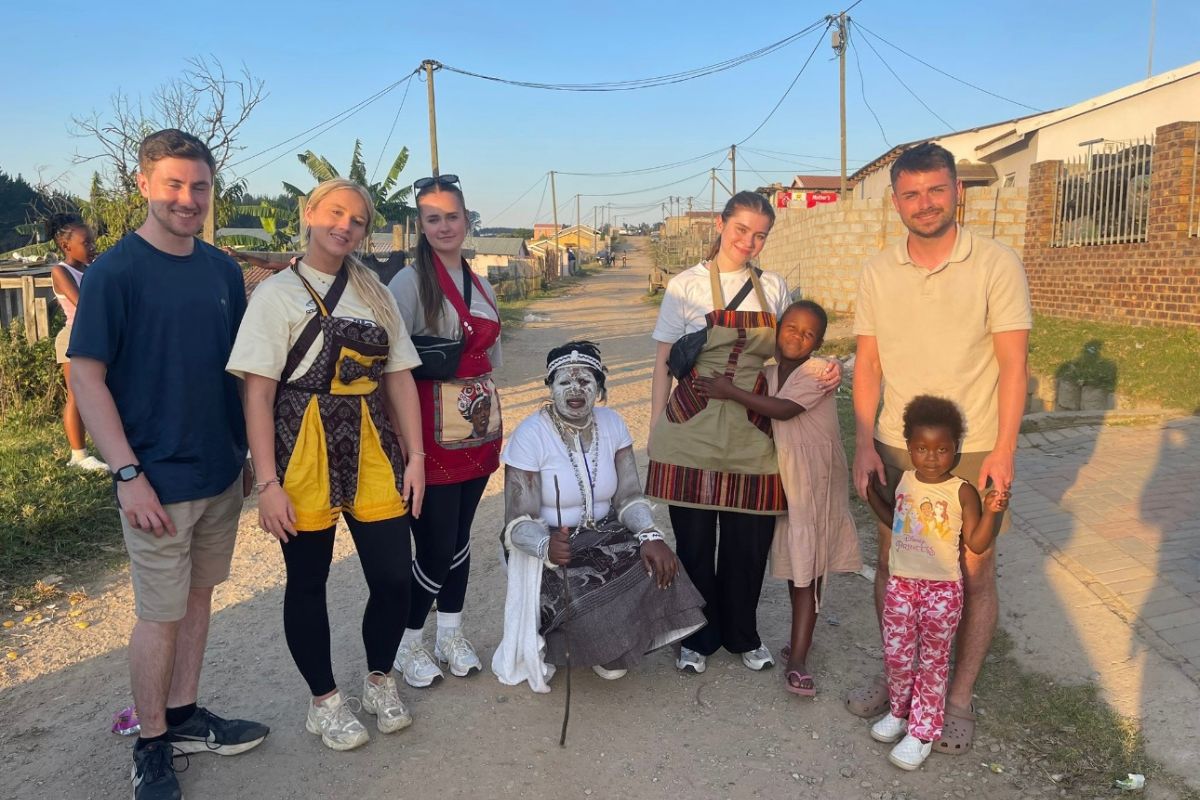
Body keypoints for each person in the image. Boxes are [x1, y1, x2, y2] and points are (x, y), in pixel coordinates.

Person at [68, 129, 268, 800]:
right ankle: (151, 743)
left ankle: (182, 715)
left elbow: (240, 372)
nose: (188, 199)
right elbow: (87, 378)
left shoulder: (217, 270)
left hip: (217, 472)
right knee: (158, 615)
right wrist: (127, 473)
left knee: (201, 597)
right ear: (144, 184)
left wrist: (247, 452)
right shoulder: (113, 273)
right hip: (155, 479)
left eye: (200, 187)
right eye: (174, 185)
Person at [227, 178, 424, 751]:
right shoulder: (276, 294)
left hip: (371, 445)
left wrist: (414, 458)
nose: (345, 226)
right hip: (302, 447)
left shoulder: (378, 293)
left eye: (357, 220)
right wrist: (267, 482)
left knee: (393, 578)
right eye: (335, 213)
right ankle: (324, 702)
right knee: (307, 581)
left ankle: (379, 680)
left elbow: (399, 380)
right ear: (309, 214)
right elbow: (257, 395)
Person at [848, 142, 1031, 755]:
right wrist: (863, 443)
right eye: (910, 194)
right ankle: (900, 683)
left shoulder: (997, 264)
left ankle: (957, 697)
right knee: (897, 564)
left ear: (956, 191)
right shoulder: (877, 271)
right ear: (894, 201)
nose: (923, 204)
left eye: (935, 190)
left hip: (975, 445)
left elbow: (1013, 364)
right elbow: (868, 363)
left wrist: (1003, 449)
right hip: (898, 450)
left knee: (974, 567)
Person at [646, 191, 840, 675]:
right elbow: (662, 364)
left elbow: (791, 352)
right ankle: (697, 637)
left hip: (753, 430)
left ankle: (742, 633)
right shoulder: (684, 286)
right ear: (721, 224)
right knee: (693, 545)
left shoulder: (774, 288)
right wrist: (655, 430)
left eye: (760, 234)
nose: (749, 241)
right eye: (741, 230)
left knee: (748, 543)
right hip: (690, 426)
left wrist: (826, 369)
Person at [493, 341, 705, 690]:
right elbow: (517, 525)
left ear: (600, 388)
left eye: (586, 382)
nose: (575, 391)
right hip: (549, 542)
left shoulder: (612, 424)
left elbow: (628, 497)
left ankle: (620, 644)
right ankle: (597, 647)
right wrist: (546, 546)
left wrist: (650, 534)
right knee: (579, 588)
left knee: (657, 564)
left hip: (607, 532)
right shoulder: (531, 435)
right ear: (550, 387)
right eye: (565, 382)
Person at [695, 300, 861, 697]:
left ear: (819, 342)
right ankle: (798, 643)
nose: (797, 338)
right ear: (778, 328)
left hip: (814, 483)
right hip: (784, 480)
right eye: (791, 328)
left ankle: (800, 658)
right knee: (796, 566)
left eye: (808, 334)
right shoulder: (767, 373)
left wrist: (728, 391)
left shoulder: (818, 372)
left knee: (808, 572)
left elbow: (783, 411)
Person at [387, 175, 501, 687]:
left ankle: (449, 632)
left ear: (467, 219)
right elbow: (390, 365)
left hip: (476, 430)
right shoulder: (409, 284)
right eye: (432, 218)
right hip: (428, 433)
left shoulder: (482, 283)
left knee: (459, 538)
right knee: (433, 544)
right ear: (421, 226)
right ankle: (405, 641)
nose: (444, 226)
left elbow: (492, 359)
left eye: (452, 216)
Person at [863, 396, 1009, 770]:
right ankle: (899, 711)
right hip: (901, 585)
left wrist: (993, 511)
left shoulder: (960, 491)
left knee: (932, 661)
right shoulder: (906, 481)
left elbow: (976, 543)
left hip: (941, 591)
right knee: (896, 655)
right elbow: (896, 522)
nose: (931, 456)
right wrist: (869, 497)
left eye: (942, 449)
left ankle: (923, 732)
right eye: (922, 448)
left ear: (956, 449)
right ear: (909, 446)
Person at [48, 214, 106, 471]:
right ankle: (78, 455)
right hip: (73, 336)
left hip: (93, 336)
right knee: (76, 396)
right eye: (86, 243)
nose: (92, 247)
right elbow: (84, 305)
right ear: (66, 245)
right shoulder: (61, 271)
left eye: (93, 242)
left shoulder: (91, 269)